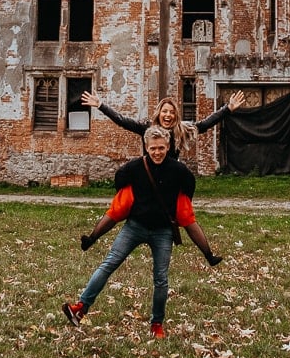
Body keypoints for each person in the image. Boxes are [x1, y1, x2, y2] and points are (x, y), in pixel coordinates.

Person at [80, 88, 246, 266]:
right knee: (119, 207)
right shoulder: (147, 129)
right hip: (144, 178)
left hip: (170, 182)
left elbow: (205, 124)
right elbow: (123, 121)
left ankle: (209, 255)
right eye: (165, 111)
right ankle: (91, 238)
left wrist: (227, 109)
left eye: (172, 112)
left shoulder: (182, 130)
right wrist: (101, 105)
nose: (168, 115)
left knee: (186, 215)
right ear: (159, 113)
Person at [62, 125, 196, 338]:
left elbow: (189, 187)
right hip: (135, 226)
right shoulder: (134, 168)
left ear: (168, 147)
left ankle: (157, 324)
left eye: (161, 148)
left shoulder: (178, 171)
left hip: (163, 232)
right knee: (109, 263)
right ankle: (81, 307)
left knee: (161, 278)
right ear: (146, 147)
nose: (157, 152)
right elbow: (120, 179)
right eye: (153, 148)